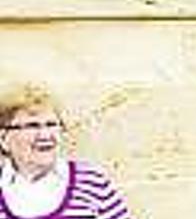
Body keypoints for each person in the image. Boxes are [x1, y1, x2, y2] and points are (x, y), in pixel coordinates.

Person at [0, 83, 132, 219]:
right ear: (4, 138)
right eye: (32, 126)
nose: (45, 135)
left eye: (51, 124)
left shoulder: (92, 182)